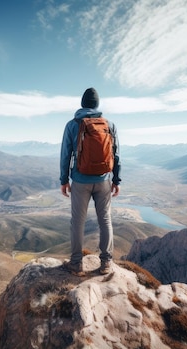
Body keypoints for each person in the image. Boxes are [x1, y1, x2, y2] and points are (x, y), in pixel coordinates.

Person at [59, 87, 121, 276]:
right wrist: (116, 179)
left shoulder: (72, 124)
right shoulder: (109, 124)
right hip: (103, 180)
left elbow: (65, 154)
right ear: (97, 105)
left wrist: (64, 179)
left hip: (80, 180)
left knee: (78, 222)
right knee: (105, 220)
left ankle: (77, 264)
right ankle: (106, 263)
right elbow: (116, 154)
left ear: (82, 104)